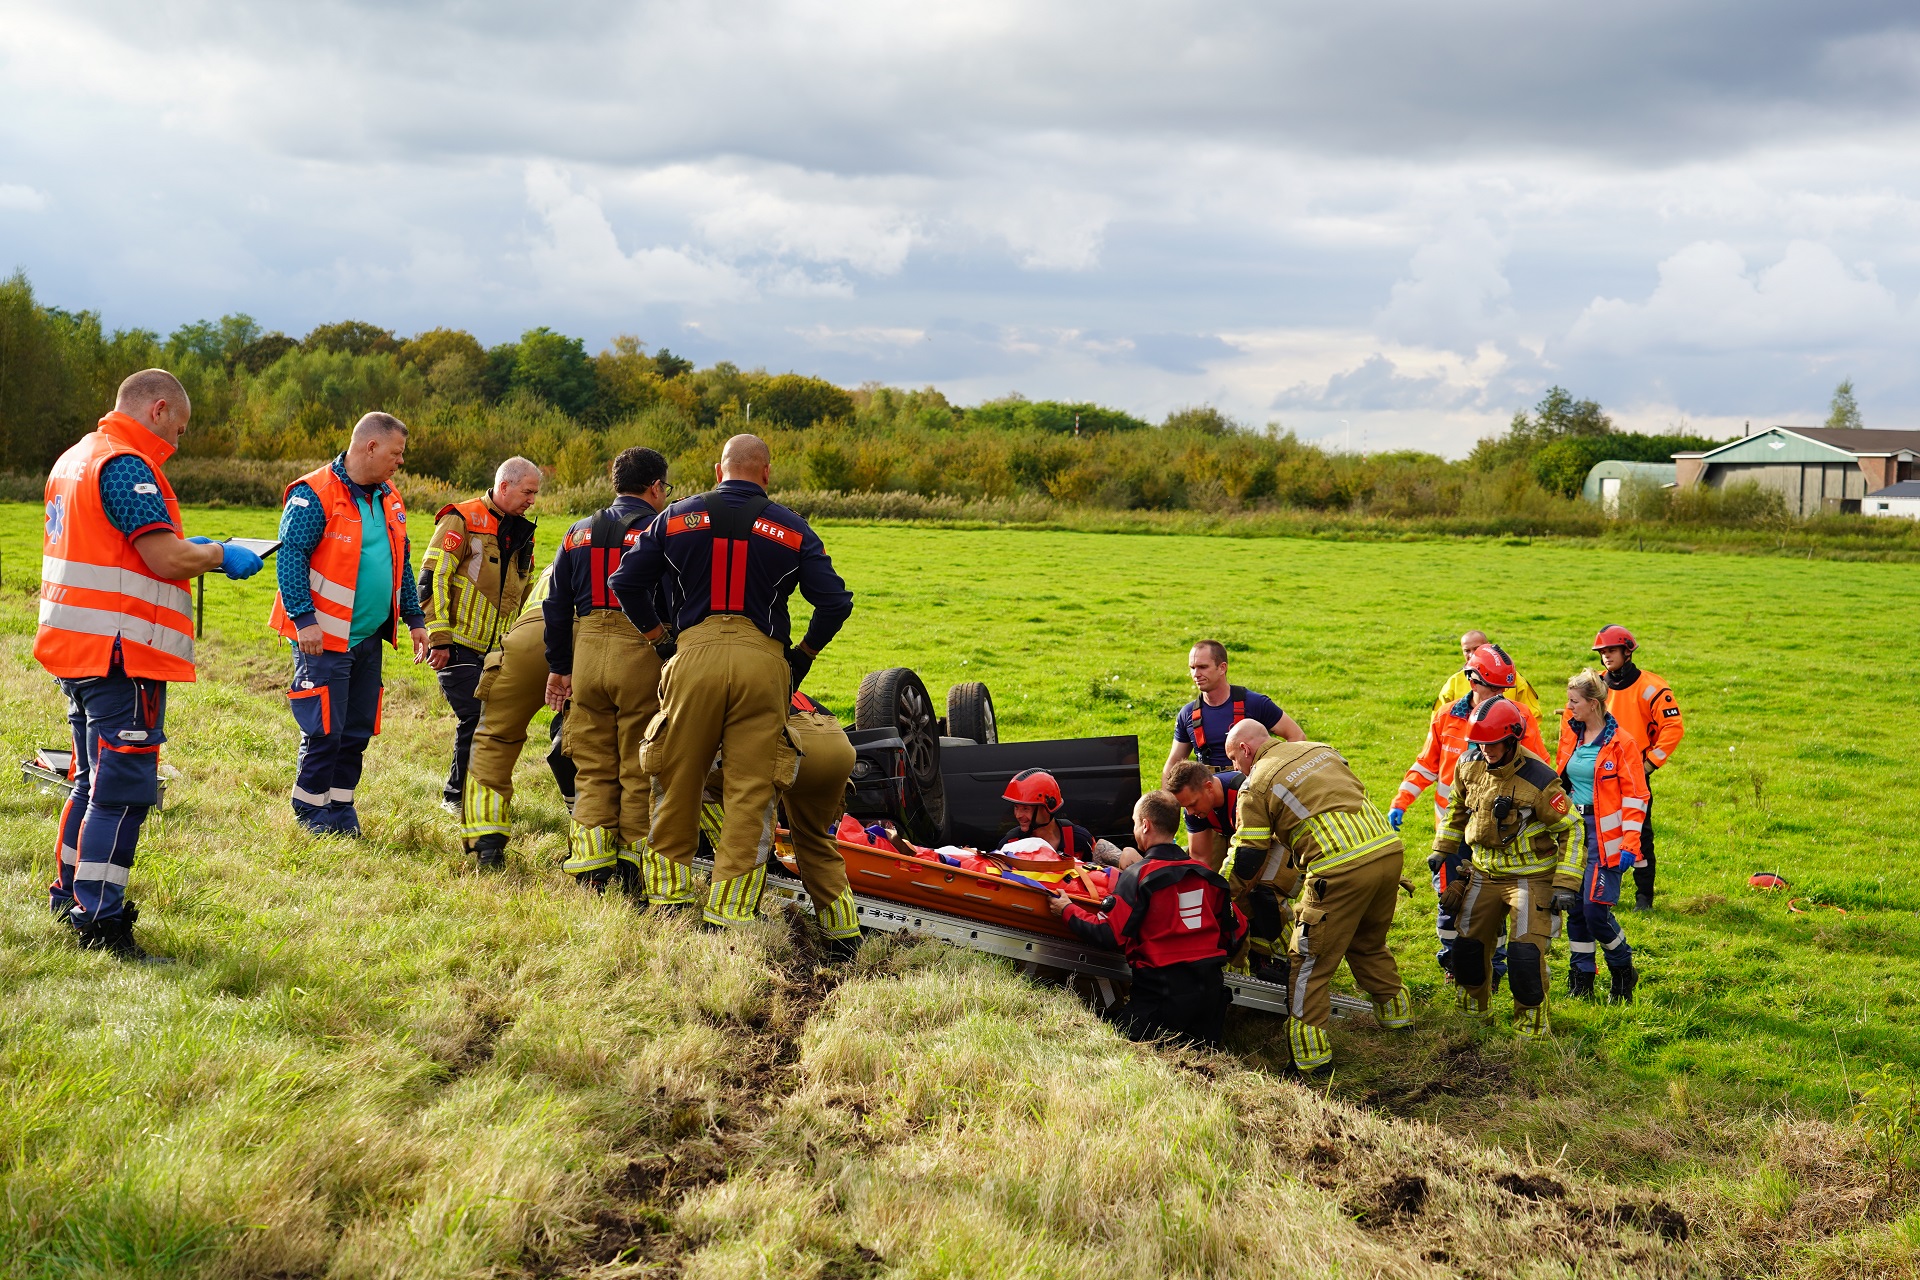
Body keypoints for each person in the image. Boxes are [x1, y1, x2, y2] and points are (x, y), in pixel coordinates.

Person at [36, 369, 264, 961]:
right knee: (124, 792)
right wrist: (218, 554)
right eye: (180, 430)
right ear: (159, 409)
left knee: (90, 780)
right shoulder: (126, 463)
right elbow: (162, 558)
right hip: (121, 653)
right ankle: (101, 922)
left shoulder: (75, 458)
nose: (179, 443)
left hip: (78, 648)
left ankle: (69, 896)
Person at [611, 434, 854, 926]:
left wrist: (661, 638)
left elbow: (624, 581)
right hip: (763, 663)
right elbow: (835, 601)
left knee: (677, 779)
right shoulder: (792, 527)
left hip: (692, 655)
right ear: (766, 474)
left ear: (718, 472)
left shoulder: (675, 516)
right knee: (752, 790)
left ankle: (668, 900)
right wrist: (802, 655)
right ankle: (729, 914)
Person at [269, 412, 429, 836]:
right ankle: (309, 813)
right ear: (370, 447)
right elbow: (290, 558)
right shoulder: (313, 493)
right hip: (323, 637)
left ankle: (340, 808)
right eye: (396, 453)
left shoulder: (391, 496)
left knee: (357, 730)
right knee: (325, 729)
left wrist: (414, 617)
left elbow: (403, 562)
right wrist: (304, 620)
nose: (399, 463)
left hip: (368, 637)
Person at [1223, 720, 1410, 1073]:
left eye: (1234, 759)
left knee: (1308, 962)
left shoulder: (1256, 784)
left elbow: (1248, 853)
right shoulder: (1321, 750)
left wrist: (1221, 892)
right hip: (1388, 853)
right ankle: (1400, 1022)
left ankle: (1310, 1060)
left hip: (1338, 869)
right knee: (1367, 943)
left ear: (1246, 750)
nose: (1235, 768)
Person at [543, 448, 672, 892]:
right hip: (639, 650)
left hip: (586, 654)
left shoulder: (577, 532)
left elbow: (554, 604)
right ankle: (632, 872)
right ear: (655, 487)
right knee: (638, 765)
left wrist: (560, 667)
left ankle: (590, 867)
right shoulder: (657, 531)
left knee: (592, 764)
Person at [1389, 643, 1546, 980]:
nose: (1502, 695)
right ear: (1473, 681)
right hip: (1453, 831)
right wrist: (1402, 800)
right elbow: (1428, 764)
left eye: (1505, 688)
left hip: (1500, 834)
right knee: (1451, 900)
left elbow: (1540, 770)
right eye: (1494, 687)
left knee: (1494, 903)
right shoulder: (1446, 717)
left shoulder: (1519, 716)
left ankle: (1496, 965)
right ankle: (1453, 964)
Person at [1430, 699, 1582, 1038]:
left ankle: (1530, 1027)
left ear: (1513, 739)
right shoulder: (1468, 764)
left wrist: (1565, 884)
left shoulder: (1540, 779)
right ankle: (1472, 1017)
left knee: (1524, 956)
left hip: (1531, 878)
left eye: (1494, 743)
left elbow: (1573, 828)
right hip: (1482, 873)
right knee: (1468, 948)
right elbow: (1456, 805)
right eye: (1480, 742)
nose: (1486, 750)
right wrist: (1443, 848)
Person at [1048, 791, 1246, 1048]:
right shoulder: (1208, 875)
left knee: (1110, 1037)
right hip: (1209, 1001)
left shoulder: (1138, 877)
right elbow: (1237, 931)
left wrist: (1066, 909)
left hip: (1160, 1000)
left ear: (1145, 824)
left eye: (1134, 822)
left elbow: (1108, 934)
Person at [419, 457, 541, 812]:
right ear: (504, 486)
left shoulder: (523, 533)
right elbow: (432, 578)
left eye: (535, 493)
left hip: (499, 652)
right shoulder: (462, 517)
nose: (532, 499)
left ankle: (468, 796)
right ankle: (459, 798)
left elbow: (524, 591)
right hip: (457, 644)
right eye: (528, 491)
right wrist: (439, 637)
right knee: (479, 715)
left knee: (488, 719)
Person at [458, 562, 578, 869]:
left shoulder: (566, 552)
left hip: (526, 634)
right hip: (585, 634)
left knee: (494, 737)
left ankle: (485, 841)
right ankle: (591, 853)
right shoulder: (639, 544)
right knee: (594, 747)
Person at [1556, 669, 1648, 1003]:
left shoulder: (1623, 743)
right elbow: (1561, 782)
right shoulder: (1570, 734)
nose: (1568, 706)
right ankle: (1582, 977)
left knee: (1595, 910)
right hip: (1572, 834)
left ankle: (1623, 970)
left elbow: (1637, 797)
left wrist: (1630, 843)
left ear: (1593, 704)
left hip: (1606, 838)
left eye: (1574, 701)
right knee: (1576, 910)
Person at [1164, 758, 1286, 982]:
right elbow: (1200, 858)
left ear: (1209, 788)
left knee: (1262, 896)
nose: (1189, 813)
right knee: (1222, 894)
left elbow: (1253, 856)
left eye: (1192, 804)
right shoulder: (1195, 809)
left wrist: (1228, 895)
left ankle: (1285, 955)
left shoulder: (1242, 794)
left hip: (1272, 841)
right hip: (1239, 838)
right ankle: (1244, 950)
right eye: (1185, 807)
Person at [1592, 625, 1684, 912]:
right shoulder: (1595, 686)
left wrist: (1648, 765)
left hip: (1634, 775)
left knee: (1641, 836)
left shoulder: (1652, 687)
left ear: (1627, 651)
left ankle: (1644, 898)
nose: (1607, 656)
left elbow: (1673, 728)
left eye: (1612, 650)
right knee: (1598, 833)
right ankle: (1600, 891)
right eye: (1603, 652)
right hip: (1599, 774)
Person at [777, 690, 863, 957]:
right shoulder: (780, 674)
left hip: (795, 743)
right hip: (839, 744)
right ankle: (844, 940)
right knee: (816, 840)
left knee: (746, 829)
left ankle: (740, 915)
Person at [1164, 639, 1303, 773]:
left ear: (1222, 668)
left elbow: (1297, 736)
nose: (1196, 674)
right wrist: (1167, 797)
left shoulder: (1255, 703)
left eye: (1203, 667)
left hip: (1251, 788)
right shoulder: (1187, 714)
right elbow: (1173, 763)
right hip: (1209, 790)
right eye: (1192, 668)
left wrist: (1278, 774)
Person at [1433, 629, 1541, 716]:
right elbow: (1438, 719)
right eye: (1467, 650)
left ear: (1488, 646)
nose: (1471, 655)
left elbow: (1532, 716)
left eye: (1476, 649)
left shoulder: (1512, 677)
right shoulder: (1454, 682)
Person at [997, 769, 1098, 859]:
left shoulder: (1079, 839)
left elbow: (1100, 875)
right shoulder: (1010, 843)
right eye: (1016, 807)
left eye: (1025, 809)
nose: (1018, 815)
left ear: (1047, 808)